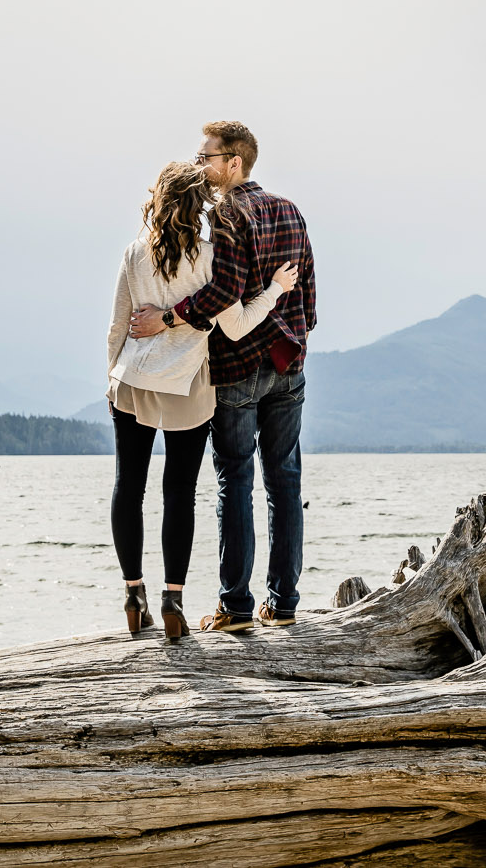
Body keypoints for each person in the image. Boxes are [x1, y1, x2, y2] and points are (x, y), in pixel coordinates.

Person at [128, 121, 315, 633]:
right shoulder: (292, 212)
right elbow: (310, 297)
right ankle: (284, 603)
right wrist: (293, 337)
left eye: (207, 157)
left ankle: (235, 608)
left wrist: (165, 318)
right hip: (289, 365)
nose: (200, 165)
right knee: (285, 481)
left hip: (236, 366)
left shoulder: (227, 214)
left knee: (236, 483)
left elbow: (221, 292)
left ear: (236, 162)